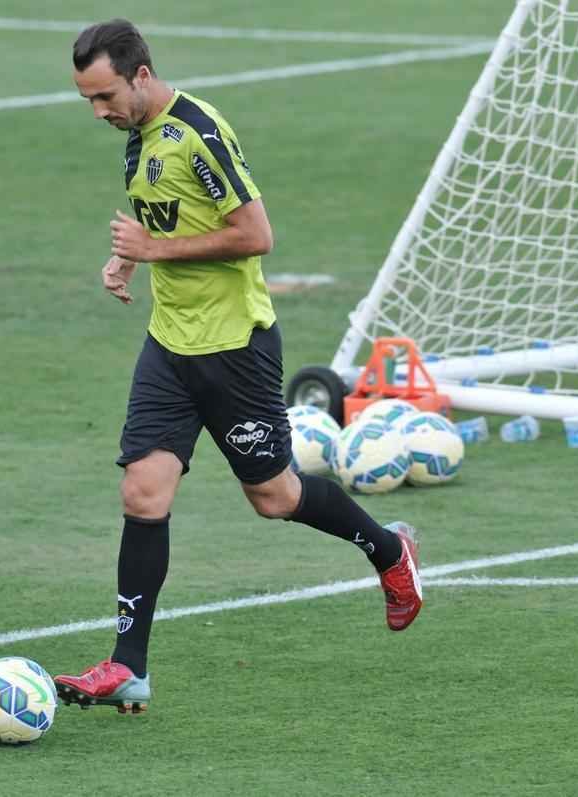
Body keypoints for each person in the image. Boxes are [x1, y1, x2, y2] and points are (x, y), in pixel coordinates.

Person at [54, 19, 422, 715]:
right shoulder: (136, 137)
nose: (98, 111)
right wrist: (129, 256)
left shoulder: (199, 132)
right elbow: (167, 220)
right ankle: (128, 667)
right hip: (170, 345)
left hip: (234, 349)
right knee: (143, 493)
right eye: (87, 100)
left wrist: (152, 250)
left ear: (140, 75)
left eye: (104, 96)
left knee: (274, 497)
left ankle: (388, 552)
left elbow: (255, 234)